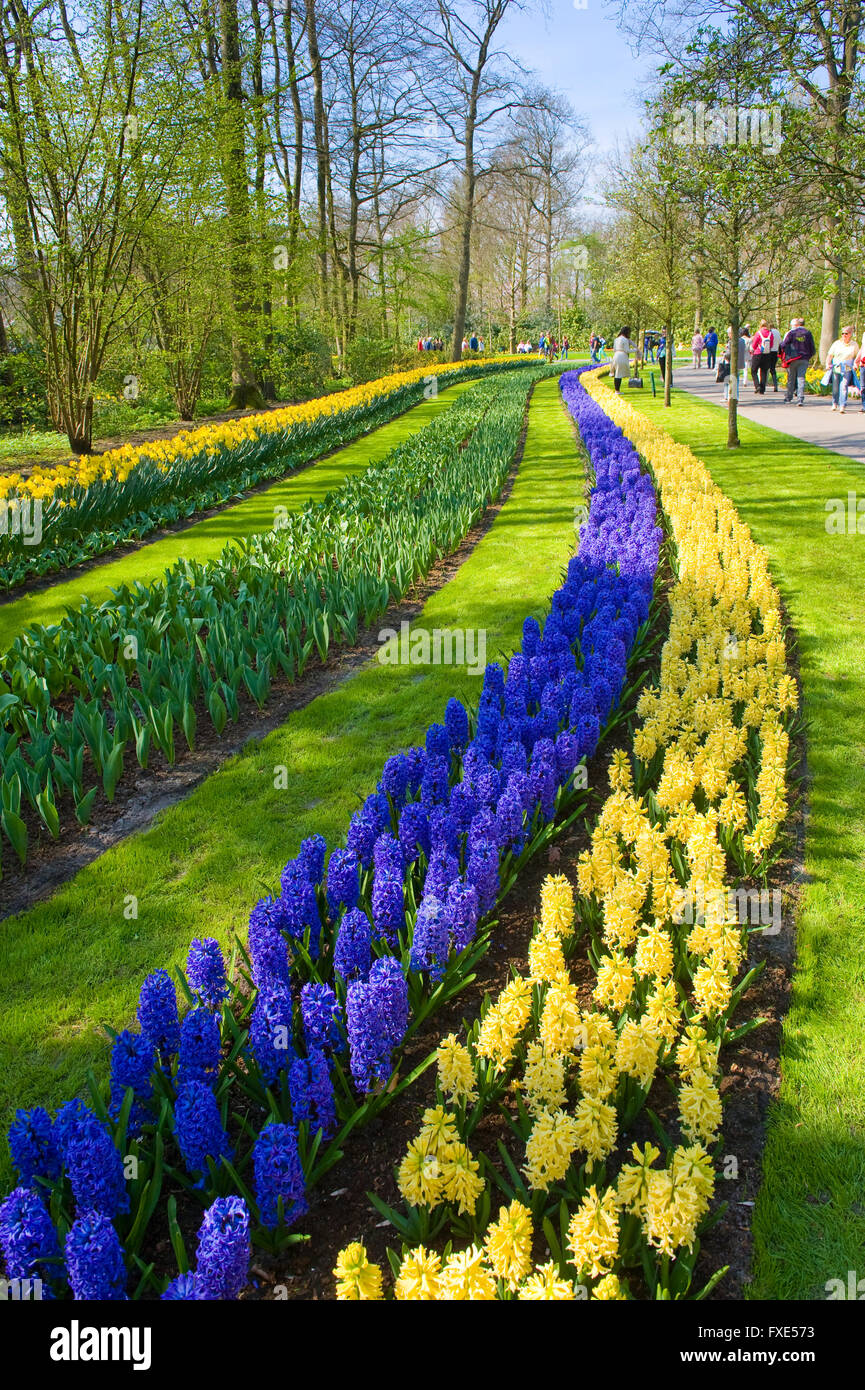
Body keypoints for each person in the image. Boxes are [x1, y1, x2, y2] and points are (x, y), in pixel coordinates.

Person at [781, 317, 815, 406]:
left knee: (791, 378)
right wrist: (808, 356)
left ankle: (788, 397)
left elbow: (784, 344)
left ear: (797, 324)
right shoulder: (808, 333)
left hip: (793, 359)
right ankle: (800, 399)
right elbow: (812, 347)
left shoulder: (792, 333)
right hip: (804, 358)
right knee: (801, 378)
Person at [826, 324, 858, 413]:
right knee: (835, 387)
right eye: (842, 333)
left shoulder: (854, 344)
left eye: (846, 333)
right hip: (836, 366)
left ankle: (843, 405)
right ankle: (834, 403)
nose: (844, 335)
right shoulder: (837, 343)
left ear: (850, 334)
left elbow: (856, 356)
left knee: (844, 386)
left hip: (847, 367)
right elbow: (830, 355)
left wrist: (855, 364)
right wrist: (828, 364)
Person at [612, 325, 634, 393]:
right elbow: (627, 350)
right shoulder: (625, 340)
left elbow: (614, 349)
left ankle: (617, 389)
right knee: (619, 374)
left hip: (616, 355)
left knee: (617, 373)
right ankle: (617, 390)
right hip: (622, 356)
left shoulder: (616, 339)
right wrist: (635, 350)